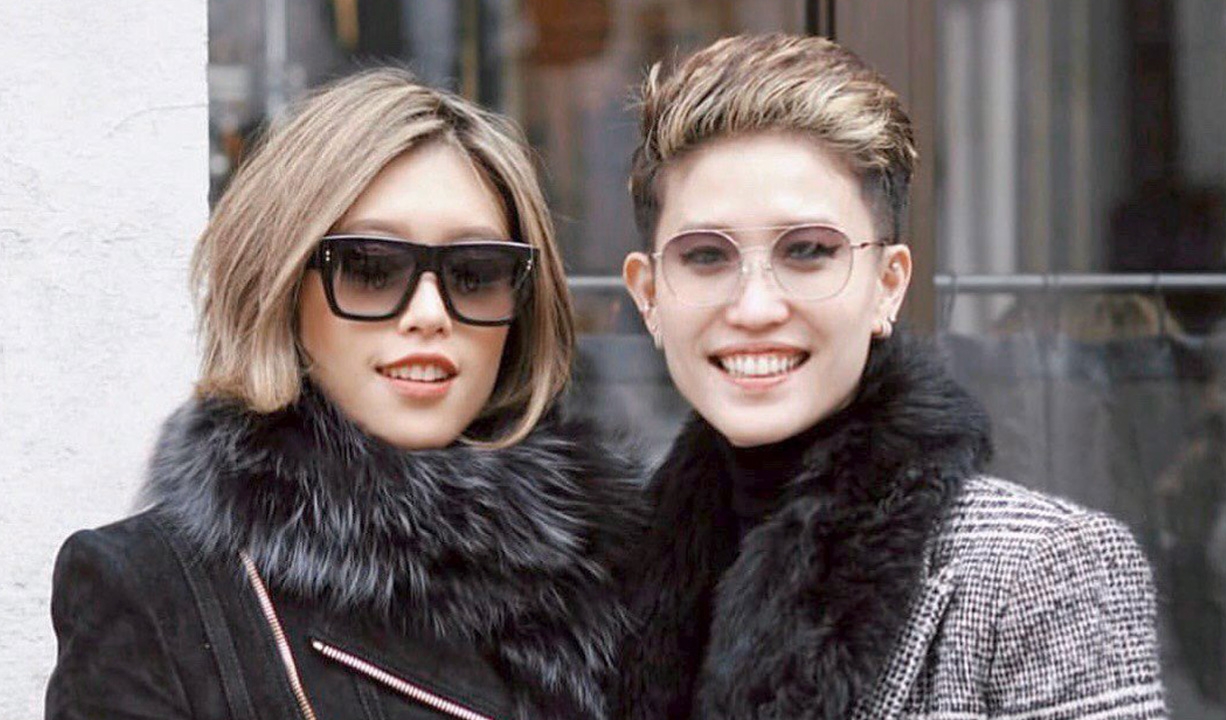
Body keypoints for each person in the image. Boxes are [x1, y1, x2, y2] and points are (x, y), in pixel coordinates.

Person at [46, 69, 641, 720]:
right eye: (369, 268)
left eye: (475, 274)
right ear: (280, 288)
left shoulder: (625, 573)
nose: (429, 314)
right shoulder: (153, 592)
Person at [613, 34, 1167, 720]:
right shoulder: (603, 585)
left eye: (808, 251)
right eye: (705, 256)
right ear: (648, 295)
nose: (754, 308)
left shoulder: (1045, 571)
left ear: (888, 285)